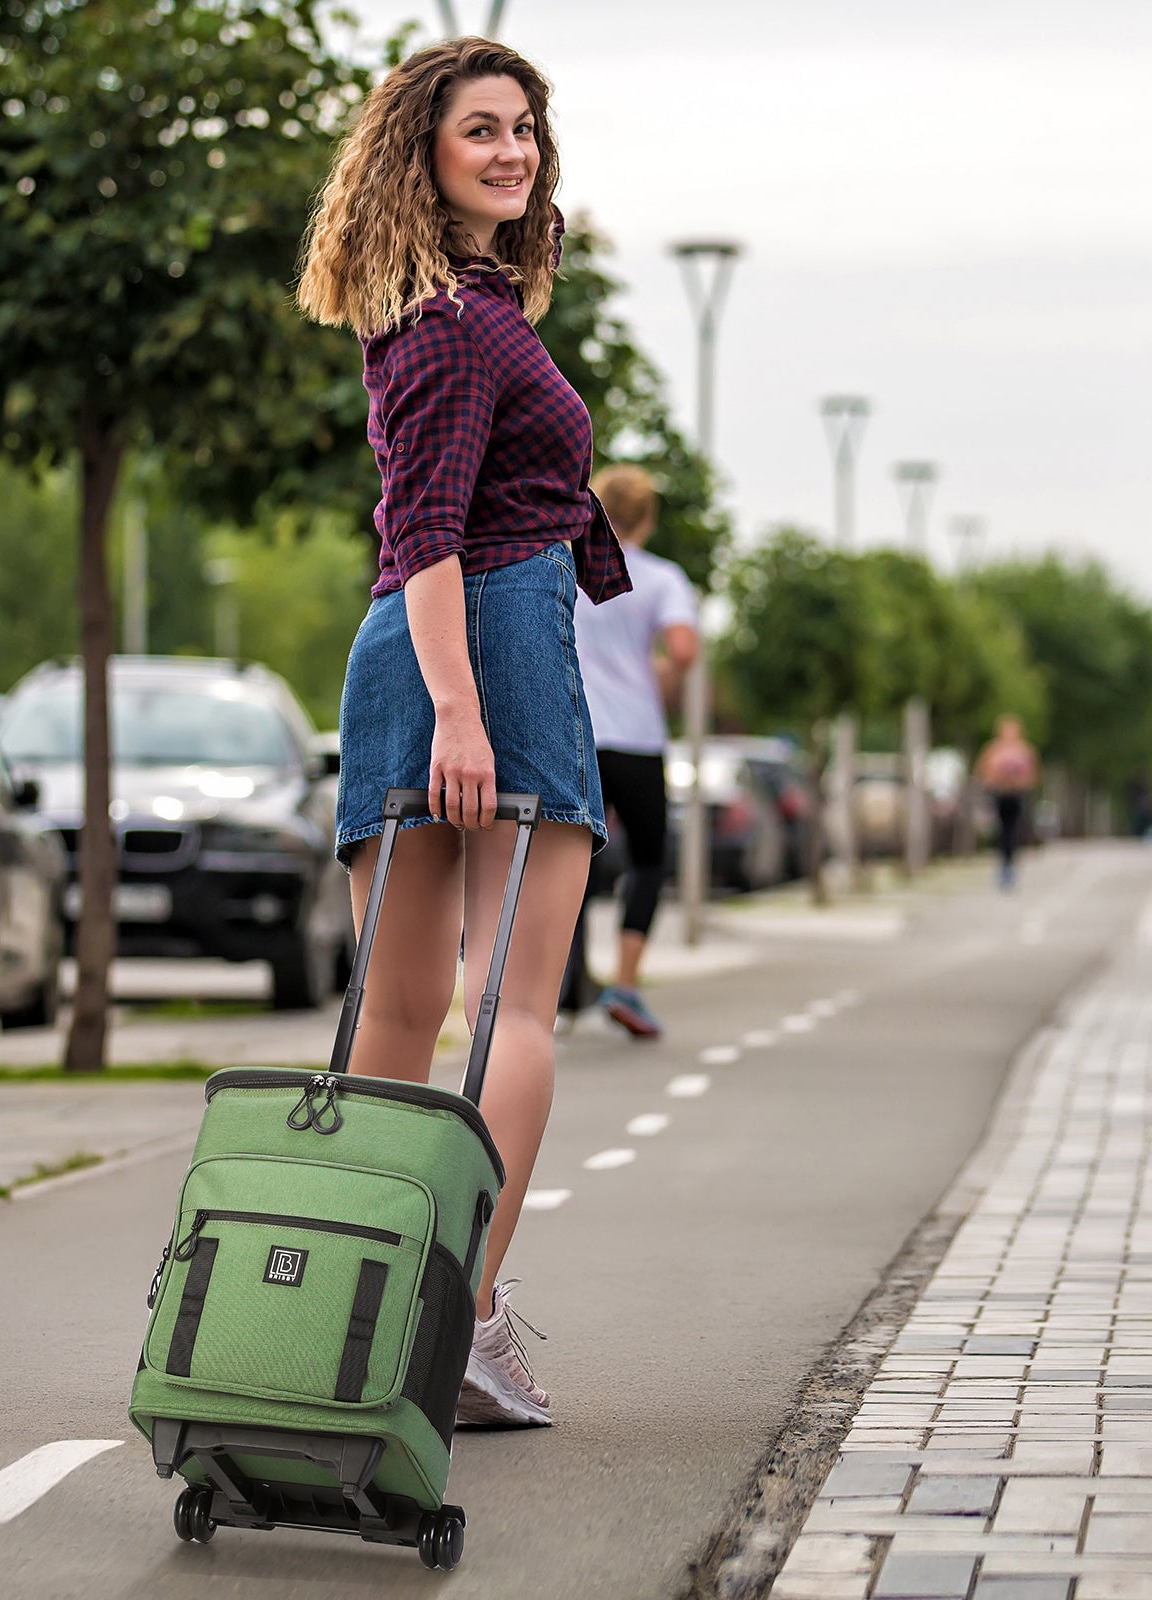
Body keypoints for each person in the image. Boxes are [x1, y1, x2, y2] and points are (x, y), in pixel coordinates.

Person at [298, 37, 630, 1428]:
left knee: (401, 1008)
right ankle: (460, 1323)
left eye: (525, 130)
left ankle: (359, 1319)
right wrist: (463, 711)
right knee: (516, 1001)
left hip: (438, 645)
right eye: (480, 130)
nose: (512, 151)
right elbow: (425, 528)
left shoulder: (447, 308)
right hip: (475, 645)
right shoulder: (452, 320)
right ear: (421, 155)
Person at [559, 464, 699, 1038]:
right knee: (646, 858)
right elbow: (684, 648)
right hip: (638, 736)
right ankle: (626, 982)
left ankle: (560, 992)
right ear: (646, 518)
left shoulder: (568, 564)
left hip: (574, 730)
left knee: (569, 859)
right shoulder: (663, 578)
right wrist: (660, 678)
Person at [974, 714, 1041, 890]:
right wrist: (997, 780)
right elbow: (983, 772)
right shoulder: (993, 750)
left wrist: (1018, 782)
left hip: (1016, 796)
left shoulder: (1024, 750)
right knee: (1001, 831)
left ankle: (1010, 866)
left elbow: (1032, 775)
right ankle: (1003, 865)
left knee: (1013, 831)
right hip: (999, 795)